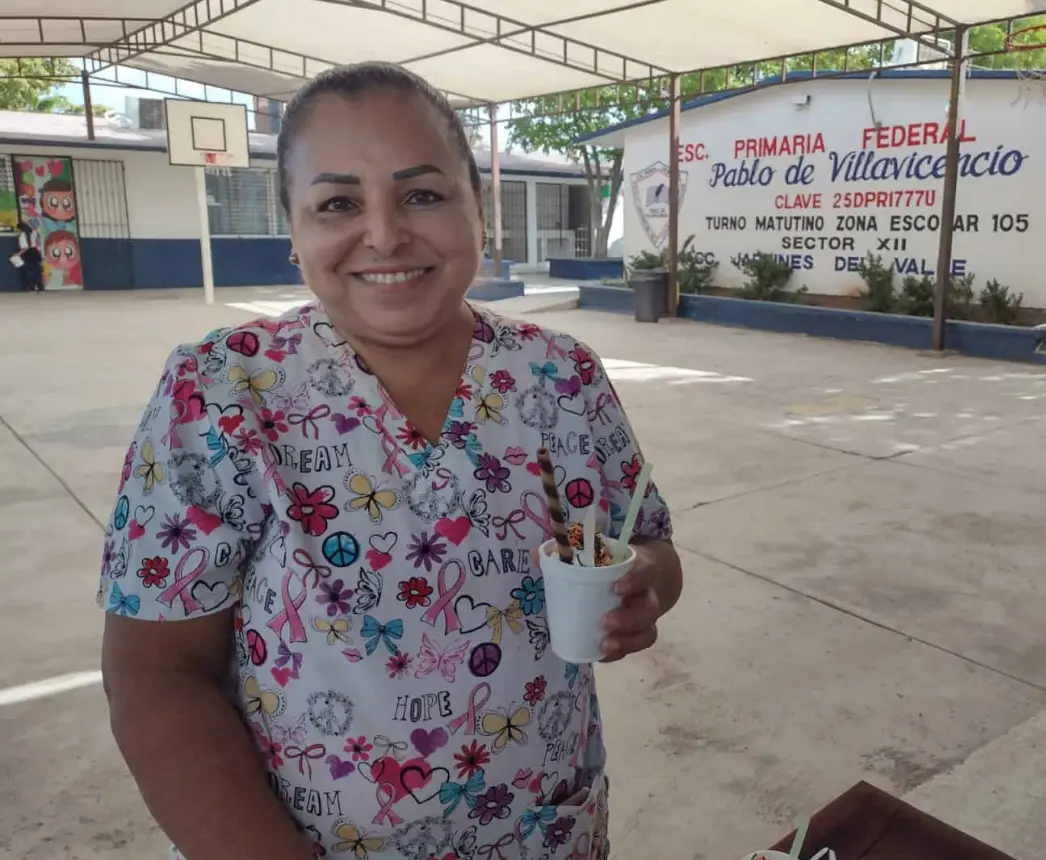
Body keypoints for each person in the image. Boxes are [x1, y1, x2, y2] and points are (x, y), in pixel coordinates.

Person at [98, 61, 682, 860]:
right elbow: (156, 674)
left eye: (423, 194)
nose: (384, 234)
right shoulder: (222, 392)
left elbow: (645, 540)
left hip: (547, 835)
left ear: (480, 209)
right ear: (295, 236)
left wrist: (644, 582)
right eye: (338, 202)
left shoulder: (562, 377)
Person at [17, 221, 44, 292]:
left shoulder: (22, 236)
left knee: (30, 271)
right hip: (35, 252)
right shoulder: (33, 233)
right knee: (37, 270)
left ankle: (32, 286)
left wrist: (18, 254)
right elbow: (38, 241)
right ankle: (40, 286)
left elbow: (25, 248)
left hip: (28, 253)